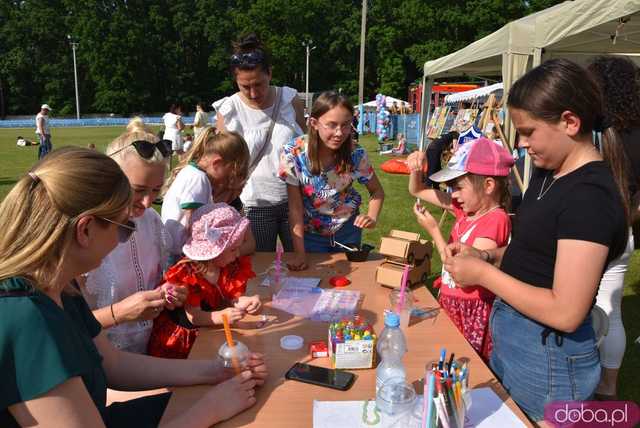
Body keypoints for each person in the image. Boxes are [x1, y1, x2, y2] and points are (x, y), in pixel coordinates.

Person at [0, 147, 268, 427]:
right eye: (123, 228)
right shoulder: (23, 318)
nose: (120, 240)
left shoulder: (61, 287)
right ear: (85, 230)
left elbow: (113, 364)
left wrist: (216, 371)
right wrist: (209, 410)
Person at [443, 59, 627, 423]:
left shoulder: (589, 196)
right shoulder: (549, 173)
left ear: (570, 122)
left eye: (528, 132)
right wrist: (488, 254)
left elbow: (566, 312)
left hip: (549, 362)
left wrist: (482, 274)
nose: (522, 145)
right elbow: (536, 253)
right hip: (518, 342)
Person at [83, 118, 188, 354]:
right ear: (113, 176)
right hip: (101, 360)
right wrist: (120, 313)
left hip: (151, 349)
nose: (148, 202)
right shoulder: (86, 233)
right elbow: (63, 325)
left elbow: (153, 281)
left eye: (156, 190)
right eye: (138, 190)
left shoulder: (151, 221)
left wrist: (169, 292)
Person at [408, 137, 513, 361]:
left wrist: (434, 230)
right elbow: (417, 190)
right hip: (452, 303)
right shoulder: (466, 209)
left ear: (488, 186)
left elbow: (463, 274)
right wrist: (416, 168)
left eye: (458, 187)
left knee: (464, 365)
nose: (453, 195)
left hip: (471, 311)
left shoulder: (495, 220)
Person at [215, 33, 306, 252]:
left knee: (304, 265)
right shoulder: (229, 110)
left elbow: (306, 145)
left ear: (270, 73)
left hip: (294, 201)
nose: (254, 93)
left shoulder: (289, 99)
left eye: (259, 84)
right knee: (258, 269)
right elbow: (222, 164)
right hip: (253, 205)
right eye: (245, 86)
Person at [279, 92, 385, 270]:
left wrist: (372, 217)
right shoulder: (293, 153)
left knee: (348, 283)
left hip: (348, 232)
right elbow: (295, 208)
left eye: (345, 125)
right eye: (332, 125)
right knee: (314, 284)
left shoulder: (356, 154)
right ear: (314, 123)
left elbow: (377, 192)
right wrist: (300, 253)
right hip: (311, 236)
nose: (339, 133)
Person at [587, 55, 640, 399]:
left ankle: (590, 383)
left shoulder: (589, 130)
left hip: (590, 231)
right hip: (622, 231)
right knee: (611, 309)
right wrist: (629, 216)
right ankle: (608, 388)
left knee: (590, 308)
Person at [148, 203, 260, 359]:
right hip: (185, 342)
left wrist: (241, 301)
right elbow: (194, 316)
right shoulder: (188, 274)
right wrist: (223, 317)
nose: (237, 254)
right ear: (214, 252)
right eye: (233, 249)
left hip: (211, 333)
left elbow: (226, 295)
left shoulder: (226, 265)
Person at [162, 128, 252, 259]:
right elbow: (194, 223)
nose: (227, 181)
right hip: (182, 253)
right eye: (229, 175)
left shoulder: (191, 173)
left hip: (176, 249)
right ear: (217, 163)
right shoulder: (199, 179)